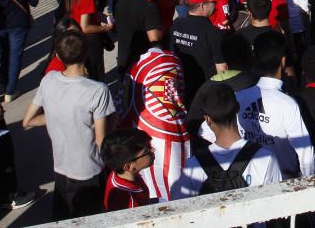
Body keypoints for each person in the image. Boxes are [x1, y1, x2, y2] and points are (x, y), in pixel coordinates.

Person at [23, 30, 116, 220]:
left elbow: (28, 120)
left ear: (58, 55)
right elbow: (101, 140)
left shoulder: (48, 80)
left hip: (60, 167)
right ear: (87, 52)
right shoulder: (98, 91)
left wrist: (61, 117)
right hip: (88, 170)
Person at [171, 83, 281, 198]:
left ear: (207, 119)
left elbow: (179, 208)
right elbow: (278, 207)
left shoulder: (193, 165)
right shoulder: (266, 159)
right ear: (237, 107)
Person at [231, 30, 315, 178]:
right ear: (283, 61)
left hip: (246, 180)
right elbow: (306, 156)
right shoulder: (288, 104)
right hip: (282, 183)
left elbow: (209, 132)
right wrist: (306, 185)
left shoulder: (239, 97)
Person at [122, 42, 190, 202]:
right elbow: (179, 93)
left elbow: (125, 102)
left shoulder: (135, 67)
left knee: (148, 179)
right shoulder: (173, 61)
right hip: (170, 132)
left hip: (142, 129)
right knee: (176, 181)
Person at [170, 0, 228, 105]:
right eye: (213, 2)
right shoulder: (214, 33)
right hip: (206, 93)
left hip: (180, 89)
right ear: (202, 6)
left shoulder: (175, 25)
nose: (216, 4)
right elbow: (222, 70)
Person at [114, 0, 163, 74]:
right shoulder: (149, 7)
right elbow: (154, 38)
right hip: (142, 62)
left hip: (123, 58)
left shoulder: (120, 2)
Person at [101, 129, 154, 211]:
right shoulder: (132, 205)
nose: (153, 150)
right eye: (147, 151)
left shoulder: (117, 172)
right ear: (129, 167)